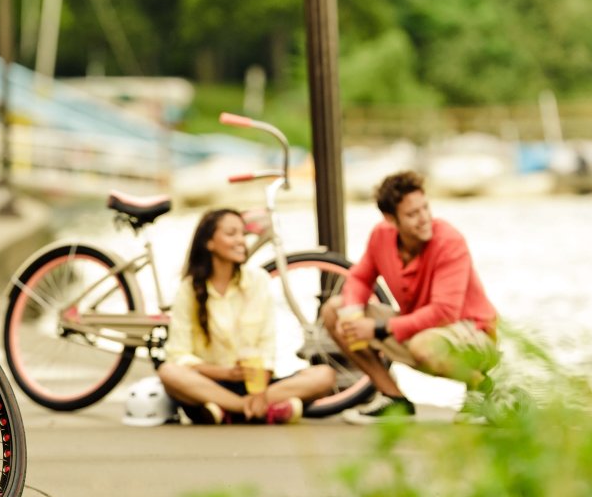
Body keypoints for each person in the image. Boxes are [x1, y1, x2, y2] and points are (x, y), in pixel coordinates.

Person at [322, 171, 499, 424]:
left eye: (425, 208)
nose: (424, 218)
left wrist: (377, 327)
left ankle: (485, 390)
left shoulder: (449, 241)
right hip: (419, 329)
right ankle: (394, 399)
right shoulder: (381, 236)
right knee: (334, 311)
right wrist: (353, 314)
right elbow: (360, 278)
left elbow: (444, 312)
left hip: (475, 334)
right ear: (390, 219)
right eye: (412, 214)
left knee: (423, 345)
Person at [158, 208, 336, 424]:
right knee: (169, 373)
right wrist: (226, 374)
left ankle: (229, 410)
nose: (241, 241)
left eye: (243, 234)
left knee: (324, 375)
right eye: (231, 234)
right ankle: (249, 409)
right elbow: (178, 354)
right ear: (209, 242)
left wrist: (260, 388)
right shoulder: (189, 289)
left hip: (259, 383)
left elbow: (267, 343)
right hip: (211, 382)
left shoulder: (257, 280)